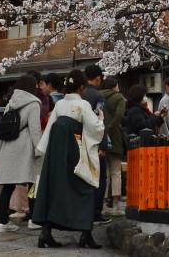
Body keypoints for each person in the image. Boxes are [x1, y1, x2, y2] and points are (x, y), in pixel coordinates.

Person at [31, 69, 105, 249]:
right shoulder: (84, 105)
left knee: (55, 188)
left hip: (56, 152)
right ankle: (85, 234)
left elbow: (49, 127)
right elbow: (94, 128)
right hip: (75, 150)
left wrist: (41, 148)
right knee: (85, 186)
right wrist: (101, 119)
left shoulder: (60, 104)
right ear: (81, 87)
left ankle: (46, 232)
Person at [0, 74, 43, 233]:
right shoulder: (34, 104)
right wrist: (40, 149)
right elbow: (35, 130)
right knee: (33, 183)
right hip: (24, 149)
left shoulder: (11, 103)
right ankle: (34, 220)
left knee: (7, 186)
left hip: (8, 148)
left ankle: (2, 222)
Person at [82, 64, 110, 225]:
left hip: (79, 140)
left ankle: (83, 210)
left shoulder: (80, 93)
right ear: (98, 78)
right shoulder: (97, 96)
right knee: (99, 178)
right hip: (94, 143)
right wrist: (103, 145)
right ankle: (95, 213)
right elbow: (100, 122)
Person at [100, 77, 126, 213]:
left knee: (104, 173)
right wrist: (111, 127)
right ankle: (116, 205)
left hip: (99, 136)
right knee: (116, 172)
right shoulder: (119, 97)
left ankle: (103, 205)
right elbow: (119, 115)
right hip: (114, 137)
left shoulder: (98, 95)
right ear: (115, 85)